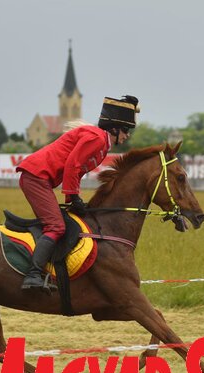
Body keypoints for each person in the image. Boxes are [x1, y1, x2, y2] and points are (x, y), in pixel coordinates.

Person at [16, 95, 140, 290]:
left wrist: (72, 199)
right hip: (36, 177)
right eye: (126, 130)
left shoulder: (101, 142)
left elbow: (76, 170)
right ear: (114, 128)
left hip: (39, 178)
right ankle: (32, 275)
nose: (127, 135)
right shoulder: (97, 138)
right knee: (56, 227)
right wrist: (73, 197)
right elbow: (72, 165)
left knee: (62, 222)